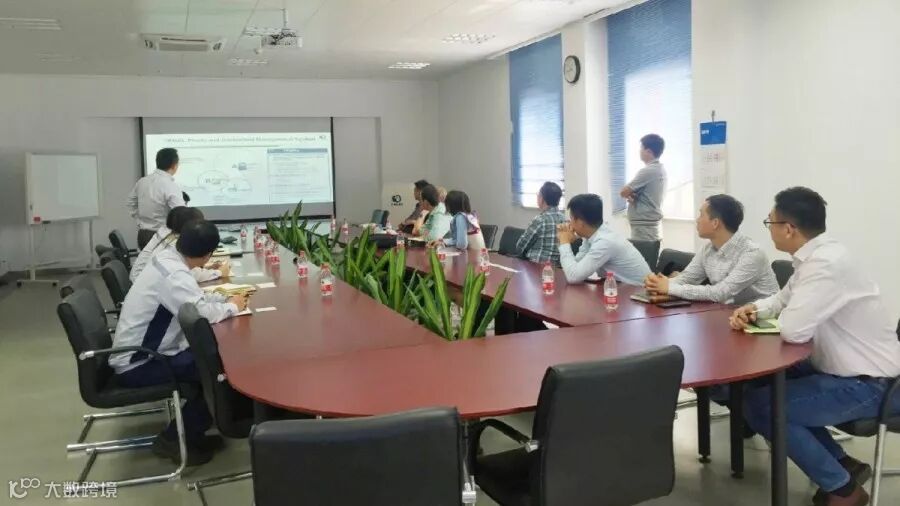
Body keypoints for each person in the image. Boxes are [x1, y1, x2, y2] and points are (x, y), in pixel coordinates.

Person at [729, 187, 900, 506]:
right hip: (842, 368)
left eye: (770, 222)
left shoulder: (826, 265)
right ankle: (843, 464)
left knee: (763, 407)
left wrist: (783, 314)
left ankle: (844, 490)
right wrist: (754, 310)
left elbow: (793, 331)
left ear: (789, 228)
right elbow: (781, 299)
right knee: (760, 384)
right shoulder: (816, 257)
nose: (769, 229)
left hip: (872, 384)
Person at [111, 220, 248, 465]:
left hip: (145, 353)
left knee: (214, 362)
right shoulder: (174, 275)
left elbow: (194, 299)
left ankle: (191, 433)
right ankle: (174, 439)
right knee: (219, 371)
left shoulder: (168, 259)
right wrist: (232, 307)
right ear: (207, 255)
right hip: (140, 363)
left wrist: (222, 300)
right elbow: (201, 314)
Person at [644, 194, 779, 305]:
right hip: (730, 314)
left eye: (701, 215)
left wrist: (669, 288)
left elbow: (719, 293)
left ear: (715, 223)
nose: (697, 220)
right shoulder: (707, 249)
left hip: (763, 320)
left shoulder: (752, 254)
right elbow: (686, 278)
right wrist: (658, 284)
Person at [557, 194, 651, 285]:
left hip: (639, 291)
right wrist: (567, 241)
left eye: (571, 219)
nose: (569, 223)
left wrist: (564, 242)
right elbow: (575, 268)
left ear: (580, 222)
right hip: (619, 288)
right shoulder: (592, 235)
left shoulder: (605, 241)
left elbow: (573, 277)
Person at [130, 206, 229, 283]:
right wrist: (219, 273)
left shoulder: (167, 233)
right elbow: (189, 274)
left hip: (141, 278)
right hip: (142, 282)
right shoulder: (175, 243)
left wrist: (207, 267)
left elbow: (184, 268)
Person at [127, 148, 186, 249]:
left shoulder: (142, 181)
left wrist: (140, 221)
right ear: (174, 165)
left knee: (146, 259)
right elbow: (182, 213)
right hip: (163, 236)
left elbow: (131, 203)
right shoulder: (170, 185)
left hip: (143, 234)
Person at [620, 134, 667, 241]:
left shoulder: (648, 171)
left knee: (644, 252)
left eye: (641, 148)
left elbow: (623, 192)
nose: (639, 151)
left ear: (648, 151)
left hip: (645, 228)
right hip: (649, 226)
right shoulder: (659, 169)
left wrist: (629, 193)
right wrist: (634, 195)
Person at [516, 182, 567, 266]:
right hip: (558, 267)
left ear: (542, 199)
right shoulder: (565, 220)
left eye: (538, 195)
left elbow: (521, 246)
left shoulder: (540, 220)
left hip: (536, 265)